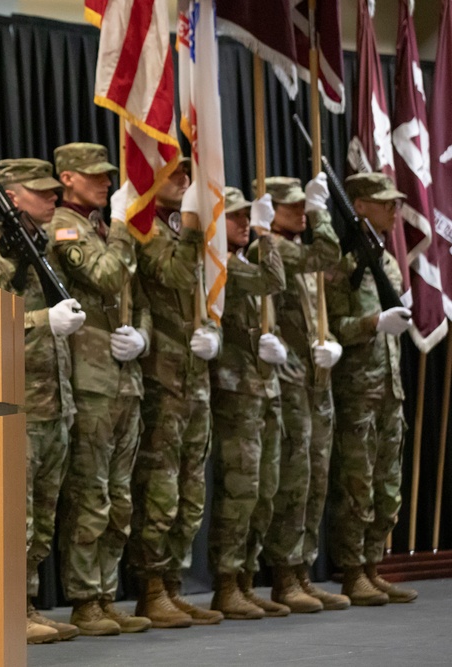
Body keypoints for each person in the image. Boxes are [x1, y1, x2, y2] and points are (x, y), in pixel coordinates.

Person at [0, 158, 86, 645]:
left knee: (43, 520)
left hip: (54, 405)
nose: (53, 198)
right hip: (16, 407)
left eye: (55, 190)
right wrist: (39, 322)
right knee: (17, 518)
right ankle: (8, 610)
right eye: (41, 191)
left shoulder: (42, 249)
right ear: (12, 197)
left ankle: (27, 604)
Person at [48, 143, 153, 636]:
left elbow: (138, 298)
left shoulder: (104, 230)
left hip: (124, 380)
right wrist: (126, 232)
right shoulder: (64, 228)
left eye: (108, 175)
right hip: (89, 380)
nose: (106, 182)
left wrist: (144, 336)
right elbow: (107, 276)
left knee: (120, 496)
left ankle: (107, 593)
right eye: (95, 176)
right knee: (91, 495)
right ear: (66, 178)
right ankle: (85, 598)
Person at [127, 157, 224, 628]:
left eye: (188, 175)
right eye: (175, 174)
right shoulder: (146, 231)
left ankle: (172, 584)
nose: (186, 181)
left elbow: (205, 293)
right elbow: (178, 276)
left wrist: (214, 335)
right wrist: (189, 222)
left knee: (190, 493)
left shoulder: (189, 233)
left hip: (194, 380)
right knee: (160, 492)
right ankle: (149, 589)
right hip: (161, 379)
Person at [326, 172, 417, 606]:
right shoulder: (343, 264)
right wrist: (374, 323)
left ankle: (374, 565)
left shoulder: (387, 262)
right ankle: (352, 571)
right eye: (385, 203)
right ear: (359, 205)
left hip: (389, 388)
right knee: (356, 484)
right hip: (357, 389)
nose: (394, 210)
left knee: (387, 486)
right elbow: (332, 329)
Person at [259, 175, 349, 612]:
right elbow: (326, 252)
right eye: (292, 206)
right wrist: (321, 214)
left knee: (316, 476)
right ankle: (284, 572)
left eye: (303, 206)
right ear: (270, 209)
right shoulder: (273, 247)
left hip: (316, 375)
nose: (300, 212)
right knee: (294, 478)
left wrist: (330, 340)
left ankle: (303, 569)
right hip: (290, 375)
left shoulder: (296, 249)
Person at [206, 187, 288, 620]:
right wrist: (264, 233)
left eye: (245, 218)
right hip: (236, 389)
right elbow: (273, 279)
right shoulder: (222, 266)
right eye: (234, 218)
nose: (241, 225)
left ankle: (246, 578)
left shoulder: (240, 263)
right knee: (240, 490)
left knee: (264, 489)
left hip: (261, 387)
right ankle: (225, 581)